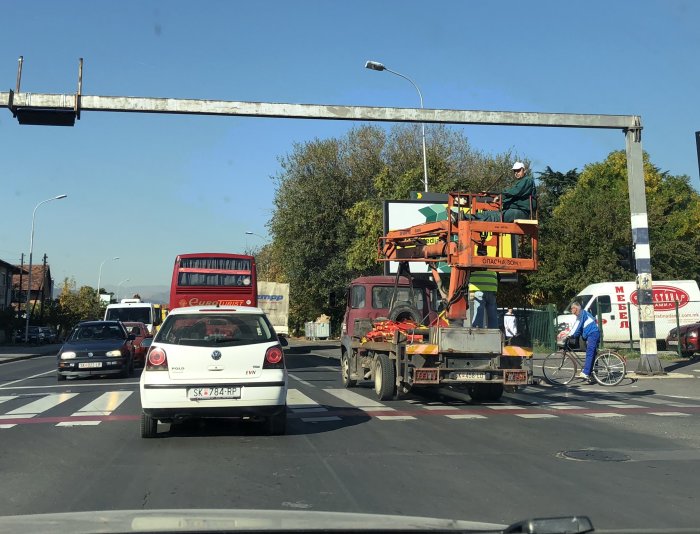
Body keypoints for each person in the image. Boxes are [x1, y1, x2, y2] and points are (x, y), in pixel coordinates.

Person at [567, 301, 600, 381]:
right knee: (592, 354)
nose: (571, 310)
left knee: (589, 352)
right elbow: (577, 328)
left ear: (576, 308)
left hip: (593, 334)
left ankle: (586, 372)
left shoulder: (582, 314)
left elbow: (578, 327)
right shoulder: (580, 316)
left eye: (572, 308)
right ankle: (592, 375)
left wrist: (570, 336)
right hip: (592, 334)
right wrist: (572, 335)